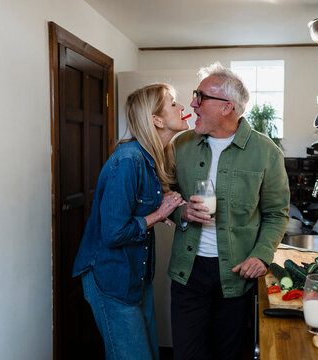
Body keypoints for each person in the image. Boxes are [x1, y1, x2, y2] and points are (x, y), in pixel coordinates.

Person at [168, 62, 290, 360]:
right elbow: (164, 194)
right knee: (188, 354)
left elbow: (277, 212)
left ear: (227, 107)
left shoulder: (266, 152)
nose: (193, 103)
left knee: (230, 354)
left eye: (201, 97)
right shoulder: (180, 145)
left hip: (236, 274)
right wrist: (180, 212)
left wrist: (262, 255)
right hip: (189, 272)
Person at [72, 83, 190, 360]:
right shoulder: (128, 161)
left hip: (136, 275)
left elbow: (136, 210)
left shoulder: (152, 159)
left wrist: (166, 210)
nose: (182, 107)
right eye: (173, 103)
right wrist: (159, 214)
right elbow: (113, 233)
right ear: (156, 120)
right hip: (111, 278)